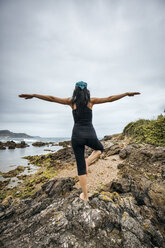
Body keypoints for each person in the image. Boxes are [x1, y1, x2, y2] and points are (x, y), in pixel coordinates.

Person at [18, 82, 141, 202]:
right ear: (86, 90)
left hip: (76, 135)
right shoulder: (91, 101)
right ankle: (88, 161)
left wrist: (34, 95)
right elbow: (110, 99)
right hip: (90, 134)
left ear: (75, 90)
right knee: (100, 149)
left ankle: (85, 196)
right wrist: (126, 94)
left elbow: (51, 98)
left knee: (81, 167)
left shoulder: (71, 102)